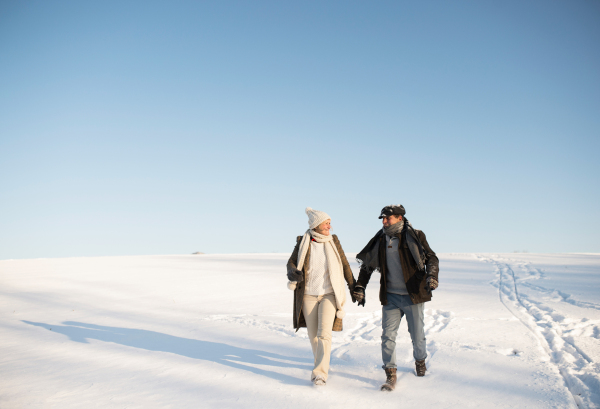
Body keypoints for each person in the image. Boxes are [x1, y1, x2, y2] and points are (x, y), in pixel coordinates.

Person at [352, 204, 439, 391]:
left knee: (417, 336)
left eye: (387, 218)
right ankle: (390, 373)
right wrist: (360, 286)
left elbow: (432, 258)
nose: (384, 222)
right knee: (387, 336)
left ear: (399, 218)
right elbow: (367, 265)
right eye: (382, 219)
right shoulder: (381, 239)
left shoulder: (416, 236)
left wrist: (432, 276)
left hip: (413, 295)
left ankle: (420, 363)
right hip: (390, 296)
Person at [287, 207, 356, 386]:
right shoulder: (303, 241)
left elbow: (345, 265)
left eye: (329, 223)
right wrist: (292, 272)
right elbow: (292, 262)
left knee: (324, 333)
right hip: (308, 295)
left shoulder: (333, 241)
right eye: (326, 223)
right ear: (316, 225)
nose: (329, 227)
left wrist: (354, 286)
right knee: (313, 336)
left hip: (329, 294)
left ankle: (320, 373)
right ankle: (322, 362)